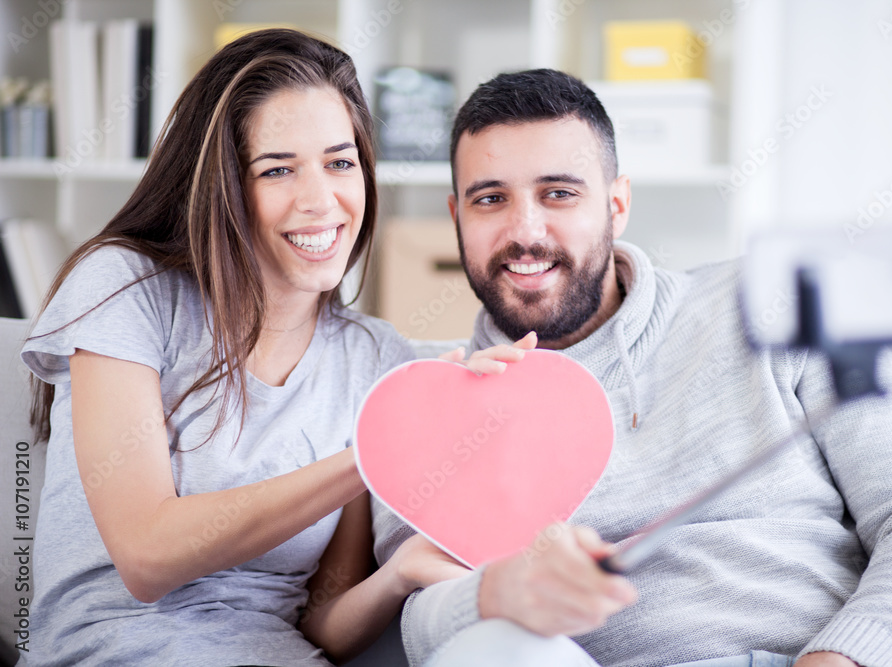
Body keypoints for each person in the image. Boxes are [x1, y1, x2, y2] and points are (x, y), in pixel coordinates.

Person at [371, 69, 892, 667]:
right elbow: (425, 618)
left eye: (559, 193)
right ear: (456, 218)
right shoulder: (429, 396)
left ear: (617, 205)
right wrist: (496, 592)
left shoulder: (770, 303)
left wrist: (844, 656)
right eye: (490, 199)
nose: (525, 231)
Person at [18, 29, 526, 666]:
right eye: (278, 169)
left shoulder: (375, 360)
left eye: (340, 163)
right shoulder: (127, 289)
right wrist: (378, 448)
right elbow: (147, 557)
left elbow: (320, 623)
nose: (321, 201)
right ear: (224, 185)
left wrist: (403, 573)